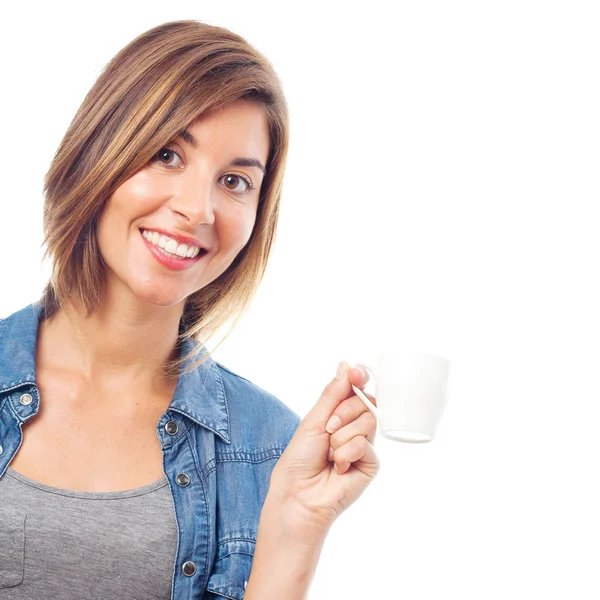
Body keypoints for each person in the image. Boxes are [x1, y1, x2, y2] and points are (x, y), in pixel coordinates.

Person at [0, 20, 379, 600]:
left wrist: (296, 533)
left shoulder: (271, 447)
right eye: (167, 155)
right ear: (97, 151)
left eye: (233, 181)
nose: (197, 208)